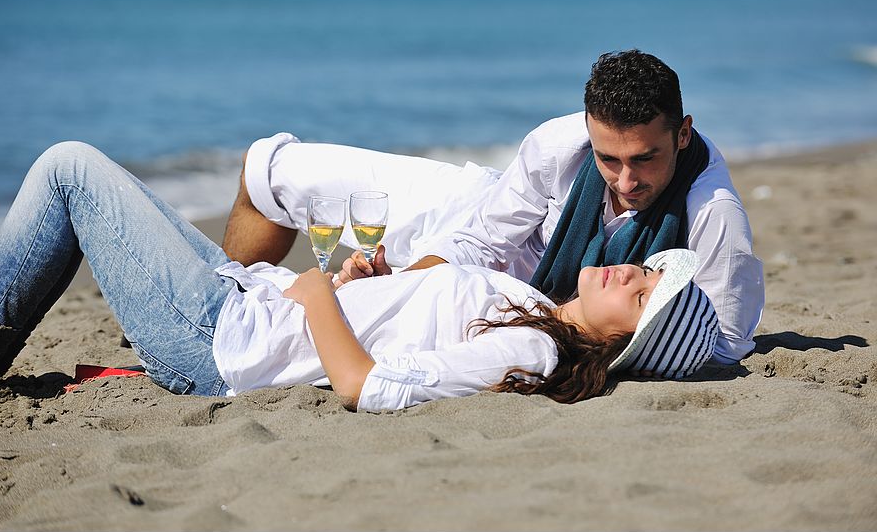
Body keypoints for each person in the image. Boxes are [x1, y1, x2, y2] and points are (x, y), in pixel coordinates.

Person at [0, 143, 718, 411]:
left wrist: (315, 296)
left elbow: (368, 385)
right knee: (81, 178)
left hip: (222, 340)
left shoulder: (530, 351)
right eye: (648, 272)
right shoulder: (530, 308)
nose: (629, 270)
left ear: (627, 340)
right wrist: (363, 286)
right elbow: (403, 334)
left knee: (70, 169)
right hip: (246, 302)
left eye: (642, 294)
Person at [222, 49, 763, 365]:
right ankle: (226, 311)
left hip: (509, 311)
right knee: (269, 173)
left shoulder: (713, 211)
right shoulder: (557, 146)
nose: (626, 179)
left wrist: (607, 346)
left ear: (683, 133)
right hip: (473, 221)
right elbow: (481, 239)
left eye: (645, 159)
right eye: (608, 159)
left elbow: (727, 342)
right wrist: (405, 280)